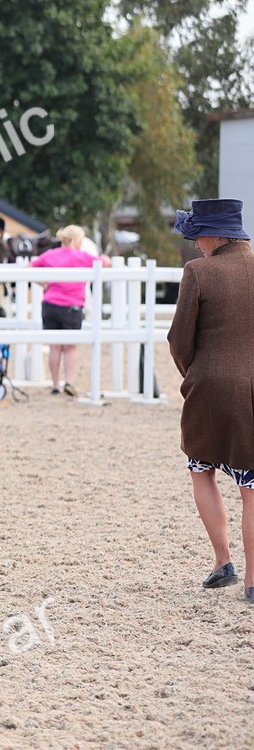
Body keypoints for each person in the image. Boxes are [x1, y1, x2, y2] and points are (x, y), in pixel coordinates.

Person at [166, 198, 254, 603]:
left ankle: (224, 563)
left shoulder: (197, 272)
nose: (196, 243)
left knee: (201, 469)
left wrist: (194, 376)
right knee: (251, 489)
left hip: (211, 389)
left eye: (198, 235)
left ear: (217, 235)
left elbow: (178, 341)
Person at [30, 224, 111, 396]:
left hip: (50, 304)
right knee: (70, 347)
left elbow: (29, 268)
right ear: (75, 240)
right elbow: (104, 263)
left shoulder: (50, 254)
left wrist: (43, 284)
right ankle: (69, 381)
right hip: (72, 307)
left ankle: (54, 384)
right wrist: (105, 257)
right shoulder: (82, 257)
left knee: (54, 346)